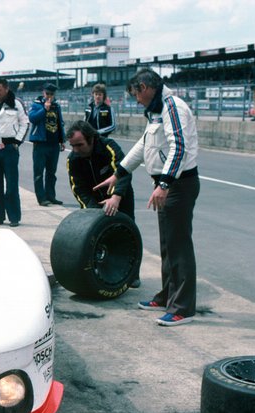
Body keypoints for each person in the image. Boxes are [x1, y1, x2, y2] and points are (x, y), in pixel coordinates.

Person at [106, 68, 200, 326]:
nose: (135, 100)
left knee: (179, 246)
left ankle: (182, 308)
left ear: (145, 88)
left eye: (136, 94)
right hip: (168, 185)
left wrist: (165, 183)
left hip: (179, 185)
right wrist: (120, 171)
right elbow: (145, 144)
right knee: (168, 245)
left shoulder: (173, 107)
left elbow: (178, 147)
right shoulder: (157, 109)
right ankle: (168, 294)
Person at [66, 120, 140, 288]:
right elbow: (78, 189)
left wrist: (116, 197)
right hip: (95, 201)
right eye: (73, 146)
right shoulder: (73, 159)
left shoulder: (109, 147)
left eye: (79, 145)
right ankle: (100, 273)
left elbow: (124, 172)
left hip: (120, 196)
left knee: (126, 235)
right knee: (96, 237)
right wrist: (92, 212)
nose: (76, 150)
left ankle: (132, 274)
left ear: (91, 139)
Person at [0, 78, 28, 226]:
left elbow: (25, 123)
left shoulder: (16, 103)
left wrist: (16, 142)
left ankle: (14, 217)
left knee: (11, 185)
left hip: (9, 149)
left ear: (6, 89)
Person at [29, 83, 66, 206]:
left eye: (52, 94)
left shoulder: (57, 106)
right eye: (47, 94)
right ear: (43, 93)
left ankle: (51, 196)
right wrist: (44, 109)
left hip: (54, 143)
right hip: (40, 143)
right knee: (39, 172)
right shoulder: (36, 104)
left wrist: (62, 140)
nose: (49, 96)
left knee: (51, 172)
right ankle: (41, 197)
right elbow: (32, 118)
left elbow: (59, 123)